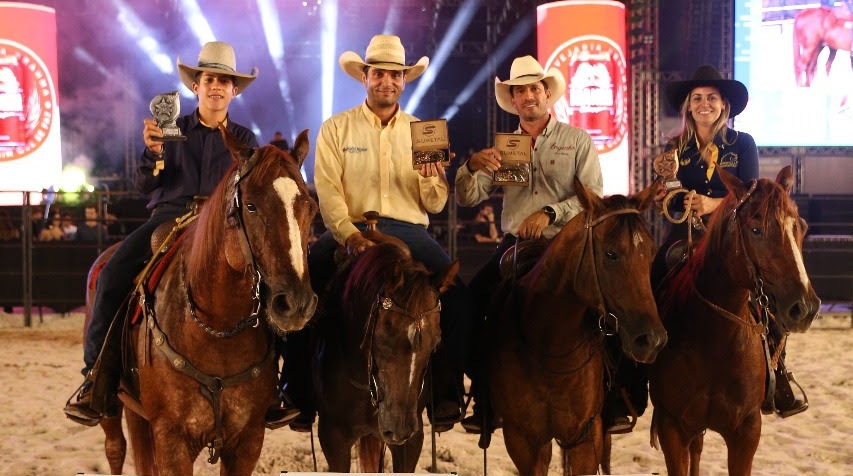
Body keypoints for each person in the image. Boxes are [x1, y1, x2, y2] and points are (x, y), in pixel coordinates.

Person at [279, 34, 469, 433]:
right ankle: (295, 390)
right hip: (349, 230)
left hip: (408, 230)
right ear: (364, 77)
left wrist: (435, 179)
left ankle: (446, 395)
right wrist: (349, 235)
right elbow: (327, 192)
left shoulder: (423, 132)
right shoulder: (336, 129)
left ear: (404, 81)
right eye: (379, 73)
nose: (387, 81)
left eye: (395, 75)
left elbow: (434, 204)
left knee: (458, 297)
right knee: (300, 287)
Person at [63, 41, 260, 426]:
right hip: (170, 218)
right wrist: (152, 153)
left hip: (223, 227)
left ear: (234, 89)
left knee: (270, 283)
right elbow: (143, 186)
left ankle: (271, 386)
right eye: (209, 79)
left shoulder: (246, 140)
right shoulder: (167, 130)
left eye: (224, 80)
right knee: (113, 274)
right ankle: (96, 378)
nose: (216, 86)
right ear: (195, 86)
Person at [644, 64, 807, 419]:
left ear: (724, 106)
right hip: (685, 237)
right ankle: (637, 369)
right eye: (697, 98)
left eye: (712, 98)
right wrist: (668, 199)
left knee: (765, 290)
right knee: (654, 275)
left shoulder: (741, 144)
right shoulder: (675, 149)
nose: (704, 104)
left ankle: (778, 373)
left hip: (733, 238)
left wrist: (713, 204)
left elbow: (752, 196)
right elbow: (671, 199)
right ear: (688, 106)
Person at [454, 55, 603, 433]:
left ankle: (615, 396)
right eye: (519, 91)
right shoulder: (505, 148)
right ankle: (485, 395)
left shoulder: (577, 141)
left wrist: (550, 214)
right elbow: (469, 198)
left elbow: (594, 196)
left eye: (534, 88)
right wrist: (471, 166)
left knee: (610, 307)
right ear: (514, 100)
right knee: (470, 306)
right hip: (516, 244)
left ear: (547, 94)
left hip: (566, 243)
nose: (527, 96)